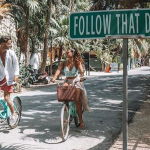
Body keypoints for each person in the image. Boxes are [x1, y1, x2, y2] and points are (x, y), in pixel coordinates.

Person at [51, 48, 91, 128]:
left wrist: (82, 77)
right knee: (64, 94)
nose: (66, 52)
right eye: (66, 51)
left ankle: (81, 120)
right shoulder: (64, 63)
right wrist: (54, 77)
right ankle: (67, 111)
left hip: (76, 81)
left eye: (68, 51)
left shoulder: (77, 62)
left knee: (76, 100)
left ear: (73, 53)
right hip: (67, 80)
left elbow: (81, 71)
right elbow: (58, 70)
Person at [0, 36, 19, 122]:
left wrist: (16, 75)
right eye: (9, 44)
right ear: (3, 44)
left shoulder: (11, 53)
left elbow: (15, 64)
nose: (10, 45)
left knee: (7, 98)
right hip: (0, 76)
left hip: (9, 77)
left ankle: (13, 113)